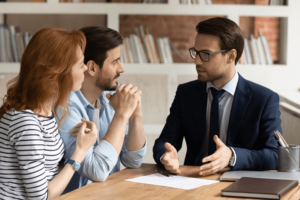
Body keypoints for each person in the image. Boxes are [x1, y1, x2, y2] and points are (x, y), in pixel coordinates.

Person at [153, 17, 282, 176]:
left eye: (206, 54)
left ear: (231, 56)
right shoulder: (185, 93)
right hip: (192, 181)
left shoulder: (264, 99)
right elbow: (164, 141)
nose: (197, 62)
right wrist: (165, 155)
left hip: (239, 184)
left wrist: (233, 156)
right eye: (196, 53)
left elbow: (275, 156)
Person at [0, 28, 98, 200]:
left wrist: (77, 142)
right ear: (58, 73)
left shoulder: (44, 112)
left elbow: (47, 172)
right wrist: (80, 151)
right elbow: (41, 197)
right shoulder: (26, 122)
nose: (85, 69)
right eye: (81, 64)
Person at [57, 26, 146, 193]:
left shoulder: (110, 97)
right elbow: (95, 171)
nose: (122, 68)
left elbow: (133, 160)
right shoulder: (65, 107)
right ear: (91, 68)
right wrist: (121, 115)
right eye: (115, 61)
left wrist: (135, 116)